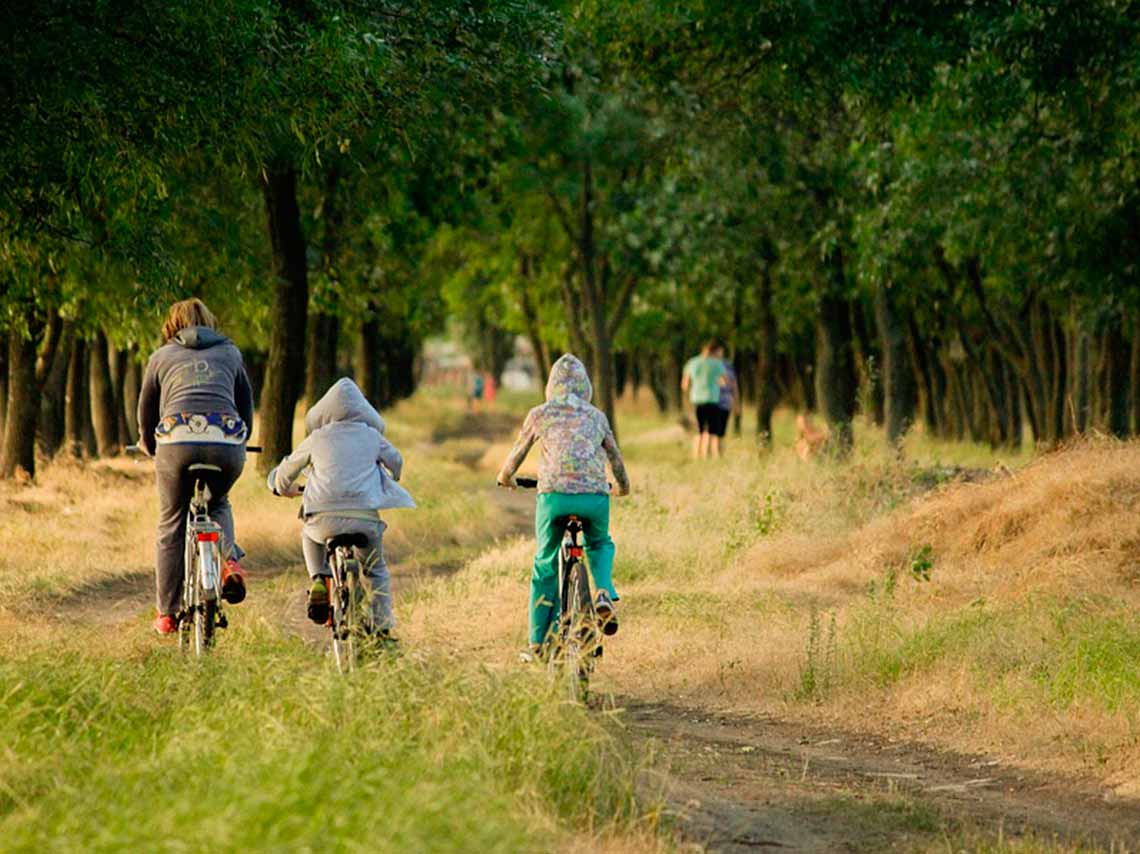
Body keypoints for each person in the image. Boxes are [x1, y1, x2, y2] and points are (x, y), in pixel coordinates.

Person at [497, 354, 631, 656]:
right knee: (599, 542)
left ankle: (537, 643)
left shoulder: (540, 414)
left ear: (550, 386)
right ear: (586, 387)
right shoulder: (597, 416)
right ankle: (603, 592)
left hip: (553, 497)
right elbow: (616, 460)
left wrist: (506, 477)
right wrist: (622, 487)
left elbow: (516, 456)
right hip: (594, 497)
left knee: (545, 562)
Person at [138, 298, 253, 636]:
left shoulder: (160, 358)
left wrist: (149, 445)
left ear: (172, 325)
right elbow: (245, 405)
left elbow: (146, 412)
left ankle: (167, 613)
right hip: (227, 441)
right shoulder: (231, 353)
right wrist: (240, 439)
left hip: (176, 441)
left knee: (171, 521)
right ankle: (229, 561)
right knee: (218, 502)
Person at [267, 378, 414, 641]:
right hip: (364, 518)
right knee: (376, 570)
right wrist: (392, 476)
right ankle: (381, 625)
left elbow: (286, 472)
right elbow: (397, 463)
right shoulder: (372, 435)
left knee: (309, 535)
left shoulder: (317, 437)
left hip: (323, 519)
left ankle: (318, 579)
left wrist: (280, 486)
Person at [681, 339, 728, 459]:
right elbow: (724, 382)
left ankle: (697, 455)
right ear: (714, 351)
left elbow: (684, 385)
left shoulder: (692, 362)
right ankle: (712, 455)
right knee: (713, 431)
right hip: (712, 399)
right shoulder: (717, 364)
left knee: (699, 430)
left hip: (696, 399)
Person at [714, 343, 739, 445]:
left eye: (719, 350)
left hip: (725, 401)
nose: (718, 353)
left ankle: (718, 454)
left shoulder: (728, 365)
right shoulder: (708, 365)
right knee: (711, 431)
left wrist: (736, 402)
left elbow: (733, 384)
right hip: (711, 401)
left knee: (721, 431)